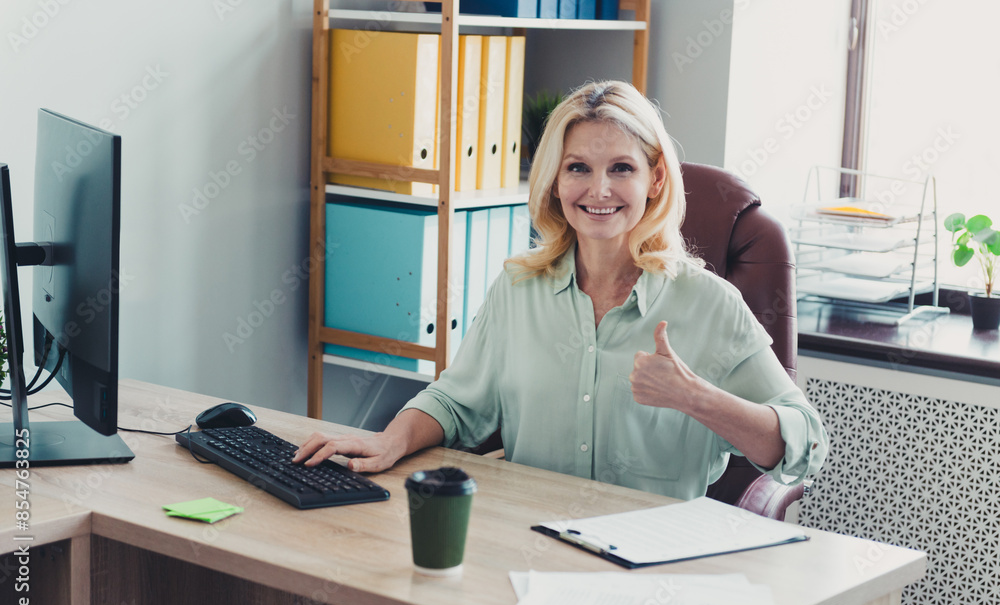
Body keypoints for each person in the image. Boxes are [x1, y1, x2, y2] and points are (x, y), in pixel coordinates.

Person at [294, 80, 828, 500]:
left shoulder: (708, 303)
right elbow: (456, 401)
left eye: (622, 168)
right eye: (578, 168)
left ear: (656, 180)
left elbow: (805, 445)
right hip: (526, 545)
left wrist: (696, 398)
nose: (599, 190)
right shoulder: (519, 287)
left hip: (648, 563)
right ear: (555, 180)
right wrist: (389, 440)